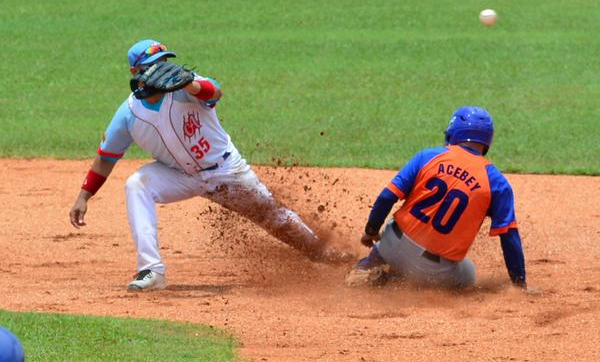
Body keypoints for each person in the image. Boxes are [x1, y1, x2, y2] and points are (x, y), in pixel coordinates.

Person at [69, 39, 351, 291]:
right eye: (153, 65)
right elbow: (106, 157)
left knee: (272, 216)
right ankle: (151, 271)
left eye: (164, 62)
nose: (162, 69)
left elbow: (214, 92)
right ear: (136, 73)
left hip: (225, 170)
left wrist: (189, 83)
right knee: (137, 184)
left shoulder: (185, 88)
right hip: (180, 176)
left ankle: (324, 254)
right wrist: (84, 195)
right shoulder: (128, 114)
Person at [345, 106, 528, 290]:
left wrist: (371, 230)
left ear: (453, 132)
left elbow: (387, 197)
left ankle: (367, 269)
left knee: (375, 256)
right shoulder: (497, 183)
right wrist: (520, 284)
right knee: (468, 272)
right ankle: (403, 285)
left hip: (393, 245)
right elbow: (509, 236)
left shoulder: (428, 156)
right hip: (434, 270)